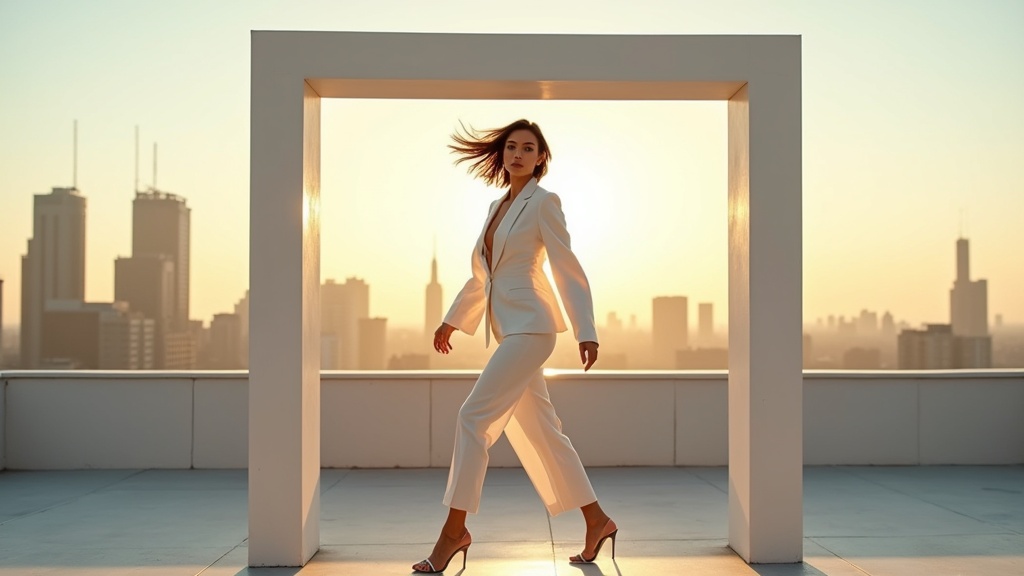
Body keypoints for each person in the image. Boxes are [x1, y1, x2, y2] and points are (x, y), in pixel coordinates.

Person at [412, 119, 618, 573]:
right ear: (502, 155)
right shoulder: (495, 206)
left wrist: (586, 328)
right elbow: (484, 275)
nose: (518, 154)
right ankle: (597, 520)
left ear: (541, 157)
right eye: (511, 147)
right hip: (509, 329)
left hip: (533, 326)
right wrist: (452, 320)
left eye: (528, 148)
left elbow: (566, 265)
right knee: (545, 433)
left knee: (472, 418)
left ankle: (453, 532)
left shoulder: (545, 203)